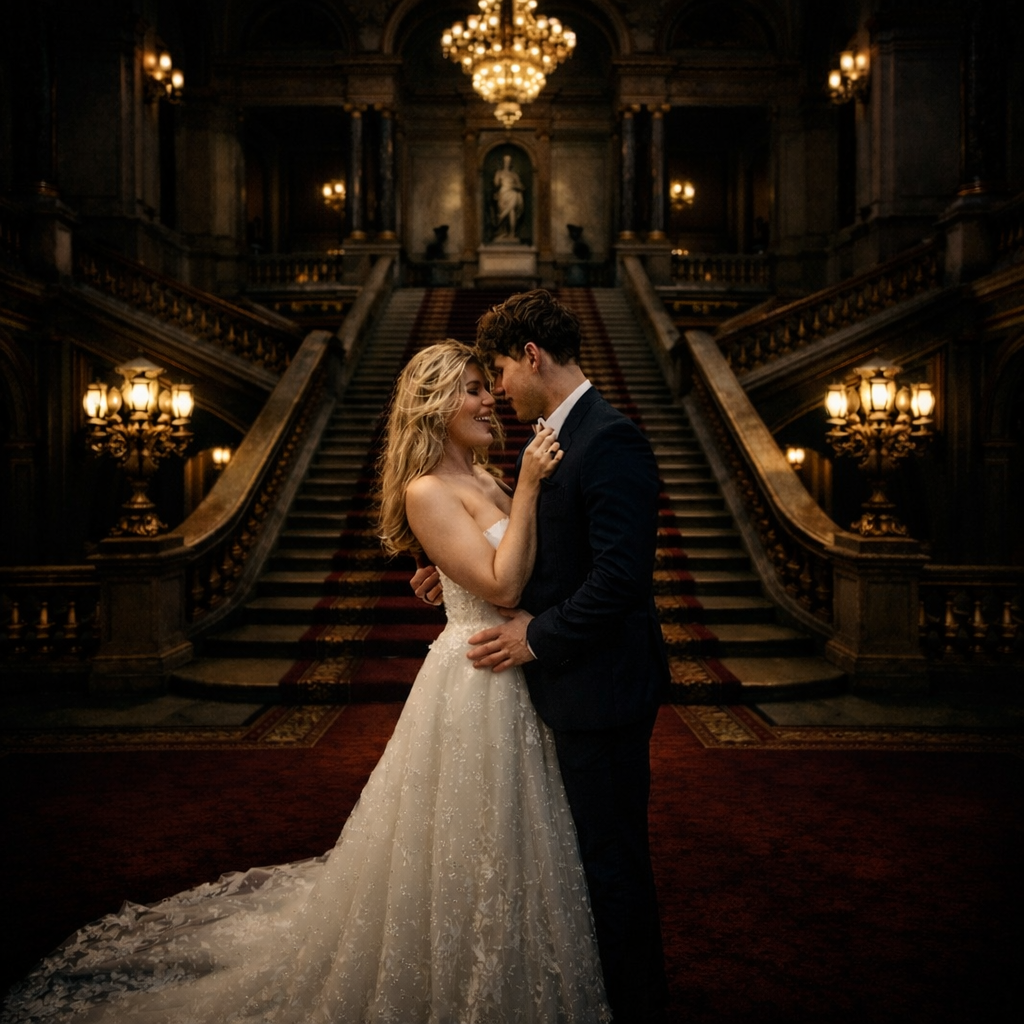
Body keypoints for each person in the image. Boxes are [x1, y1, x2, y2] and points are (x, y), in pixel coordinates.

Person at [1, 341, 611, 1024]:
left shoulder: (486, 478)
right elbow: (503, 584)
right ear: (434, 405)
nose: (488, 400)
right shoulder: (428, 491)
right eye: (471, 389)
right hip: (475, 682)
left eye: (484, 386)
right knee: (463, 840)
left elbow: (520, 563)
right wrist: (520, 498)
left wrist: (455, 565)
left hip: (516, 671)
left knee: (515, 842)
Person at [413, 291, 670, 1024]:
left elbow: (620, 579)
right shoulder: (554, 437)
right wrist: (453, 571)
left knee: (612, 864)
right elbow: (541, 552)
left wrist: (536, 636)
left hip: (603, 686)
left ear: (531, 357)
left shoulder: (608, 437)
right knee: (578, 862)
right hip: (563, 688)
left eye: (497, 372)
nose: (496, 390)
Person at [492, 154, 524, 241]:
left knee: (512, 212)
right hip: (502, 194)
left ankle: (512, 233)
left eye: (509, 161)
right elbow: (496, 185)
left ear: (511, 163)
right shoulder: (499, 173)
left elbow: (521, 186)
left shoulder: (514, 175)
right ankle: (503, 232)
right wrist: (497, 179)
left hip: (512, 194)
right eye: (505, 161)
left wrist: (514, 186)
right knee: (502, 214)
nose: (507, 163)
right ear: (503, 163)